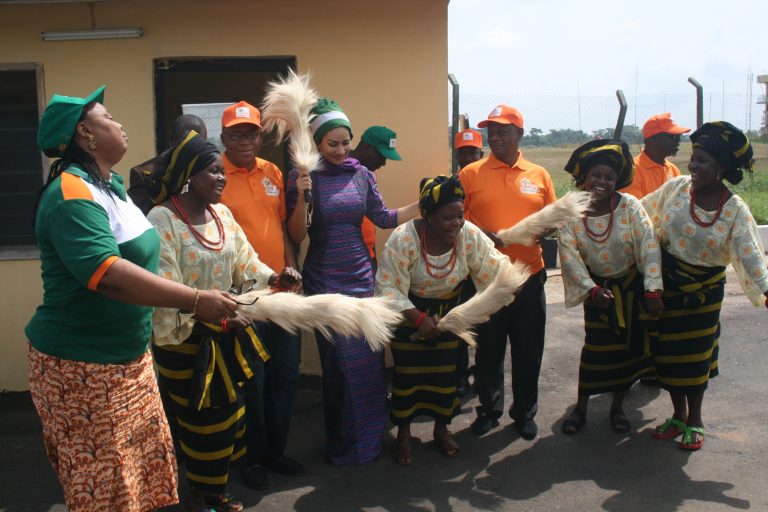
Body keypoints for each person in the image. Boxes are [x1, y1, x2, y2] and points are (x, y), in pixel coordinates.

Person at [26, 86, 237, 512]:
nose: (120, 125)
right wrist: (195, 299)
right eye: (108, 117)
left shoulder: (111, 189)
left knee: (137, 477)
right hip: (83, 366)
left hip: (129, 360)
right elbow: (108, 275)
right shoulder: (71, 193)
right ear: (85, 133)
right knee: (105, 487)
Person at [146, 130, 301, 511]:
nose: (221, 178)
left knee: (229, 419)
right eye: (213, 172)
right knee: (200, 421)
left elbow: (246, 263)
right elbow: (165, 286)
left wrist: (276, 278)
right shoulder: (162, 219)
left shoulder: (222, 215)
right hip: (186, 343)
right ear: (189, 175)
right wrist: (211, 314)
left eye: (222, 172)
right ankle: (199, 496)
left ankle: (213, 491)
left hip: (226, 334)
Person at [286, 98, 419, 465]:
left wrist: (423, 204)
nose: (342, 150)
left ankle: (370, 441)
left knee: (369, 364)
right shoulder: (304, 178)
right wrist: (302, 196)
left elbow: (384, 217)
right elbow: (296, 235)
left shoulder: (362, 175)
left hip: (362, 277)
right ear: (318, 143)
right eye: (333, 144)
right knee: (341, 368)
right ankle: (344, 445)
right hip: (326, 280)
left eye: (346, 142)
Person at [642, 121, 768, 450]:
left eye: (702, 161)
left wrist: (766, 290)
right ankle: (677, 415)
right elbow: (641, 213)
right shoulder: (676, 188)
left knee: (695, 360)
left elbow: (751, 254)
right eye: (693, 158)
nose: (693, 165)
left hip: (704, 296)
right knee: (667, 356)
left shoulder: (734, 209)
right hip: (666, 288)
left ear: (721, 167)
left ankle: (695, 419)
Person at [376, 174, 511, 464]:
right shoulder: (404, 239)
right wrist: (418, 319)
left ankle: (441, 429)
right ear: (428, 217)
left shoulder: (468, 235)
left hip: (449, 315)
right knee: (408, 379)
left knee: (446, 378)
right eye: (448, 217)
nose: (457, 223)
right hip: (408, 316)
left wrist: (510, 281)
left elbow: (492, 265)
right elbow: (388, 288)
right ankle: (404, 435)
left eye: (460, 215)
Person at [216, 101, 305, 491]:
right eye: (236, 134)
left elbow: (284, 229)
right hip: (244, 296)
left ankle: (274, 451)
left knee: (285, 375)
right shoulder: (214, 174)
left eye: (251, 133)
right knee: (252, 379)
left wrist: (292, 269)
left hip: (281, 290)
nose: (245, 141)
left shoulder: (272, 172)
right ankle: (250, 458)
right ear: (223, 138)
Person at [459, 104, 556, 440]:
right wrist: (479, 235)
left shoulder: (539, 175)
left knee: (528, 349)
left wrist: (543, 229)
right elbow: (457, 220)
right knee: (488, 350)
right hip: (487, 280)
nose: (495, 137)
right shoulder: (471, 174)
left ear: (519, 134)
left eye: (503, 131)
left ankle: (524, 413)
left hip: (528, 277)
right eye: (492, 132)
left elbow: (552, 218)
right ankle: (489, 410)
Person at [558, 140, 664, 434]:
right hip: (597, 293)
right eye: (596, 175)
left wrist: (653, 289)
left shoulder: (630, 207)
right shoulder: (570, 212)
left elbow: (649, 246)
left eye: (609, 177)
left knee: (627, 353)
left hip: (630, 291)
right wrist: (591, 290)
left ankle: (617, 408)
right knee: (594, 352)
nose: (601, 182)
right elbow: (568, 255)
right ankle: (580, 408)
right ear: (584, 177)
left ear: (617, 180)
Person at [452, 127, 485, 396]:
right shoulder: (449, 185)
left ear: (481, 153)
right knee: (460, 322)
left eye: (472, 152)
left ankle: (483, 375)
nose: (467, 158)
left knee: (486, 324)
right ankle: (461, 376)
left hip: (483, 264)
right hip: (461, 267)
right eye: (463, 153)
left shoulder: (489, 180)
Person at [128, 113, 208, 215]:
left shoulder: (205, 172)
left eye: (200, 143)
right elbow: (137, 216)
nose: (195, 148)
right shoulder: (145, 174)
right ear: (171, 139)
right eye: (188, 142)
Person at [349, 125, 402, 267]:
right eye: (381, 156)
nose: (384, 163)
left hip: (368, 254)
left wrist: (373, 254)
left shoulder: (369, 174)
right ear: (367, 148)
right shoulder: (341, 171)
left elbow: (376, 216)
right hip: (348, 259)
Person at [619, 112, 690, 199]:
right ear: (653, 139)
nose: (679, 140)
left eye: (679, 136)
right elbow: (635, 206)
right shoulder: (632, 172)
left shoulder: (673, 169)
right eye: (673, 136)